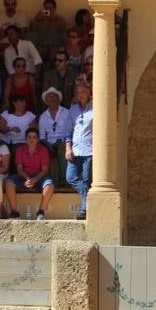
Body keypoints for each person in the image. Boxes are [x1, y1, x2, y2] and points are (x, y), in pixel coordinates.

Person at [7, 126, 55, 219]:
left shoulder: (43, 150)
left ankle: (41, 212)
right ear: (25, 139)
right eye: (29, 137)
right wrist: (28, 179)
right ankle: (14, 212)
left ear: (38, 139)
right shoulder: (20, 150)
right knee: (8, 182)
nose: (31, 139)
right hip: (24, 177)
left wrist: (35, 179)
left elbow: (44, 170)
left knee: (50, 185)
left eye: (34, 137)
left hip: (39, 177)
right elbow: (19, 169)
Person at [65, 82, 92, 220]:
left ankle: (84, 210)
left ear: (88, 92)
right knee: (70, 177)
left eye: (83, 92)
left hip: (90, 150)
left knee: (87, 180)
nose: (80, 95)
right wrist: (68, 147)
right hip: (75, 150)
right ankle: (87, 202)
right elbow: (68, 131)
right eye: (78, 93)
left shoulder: (95, 107)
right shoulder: (73, 109)